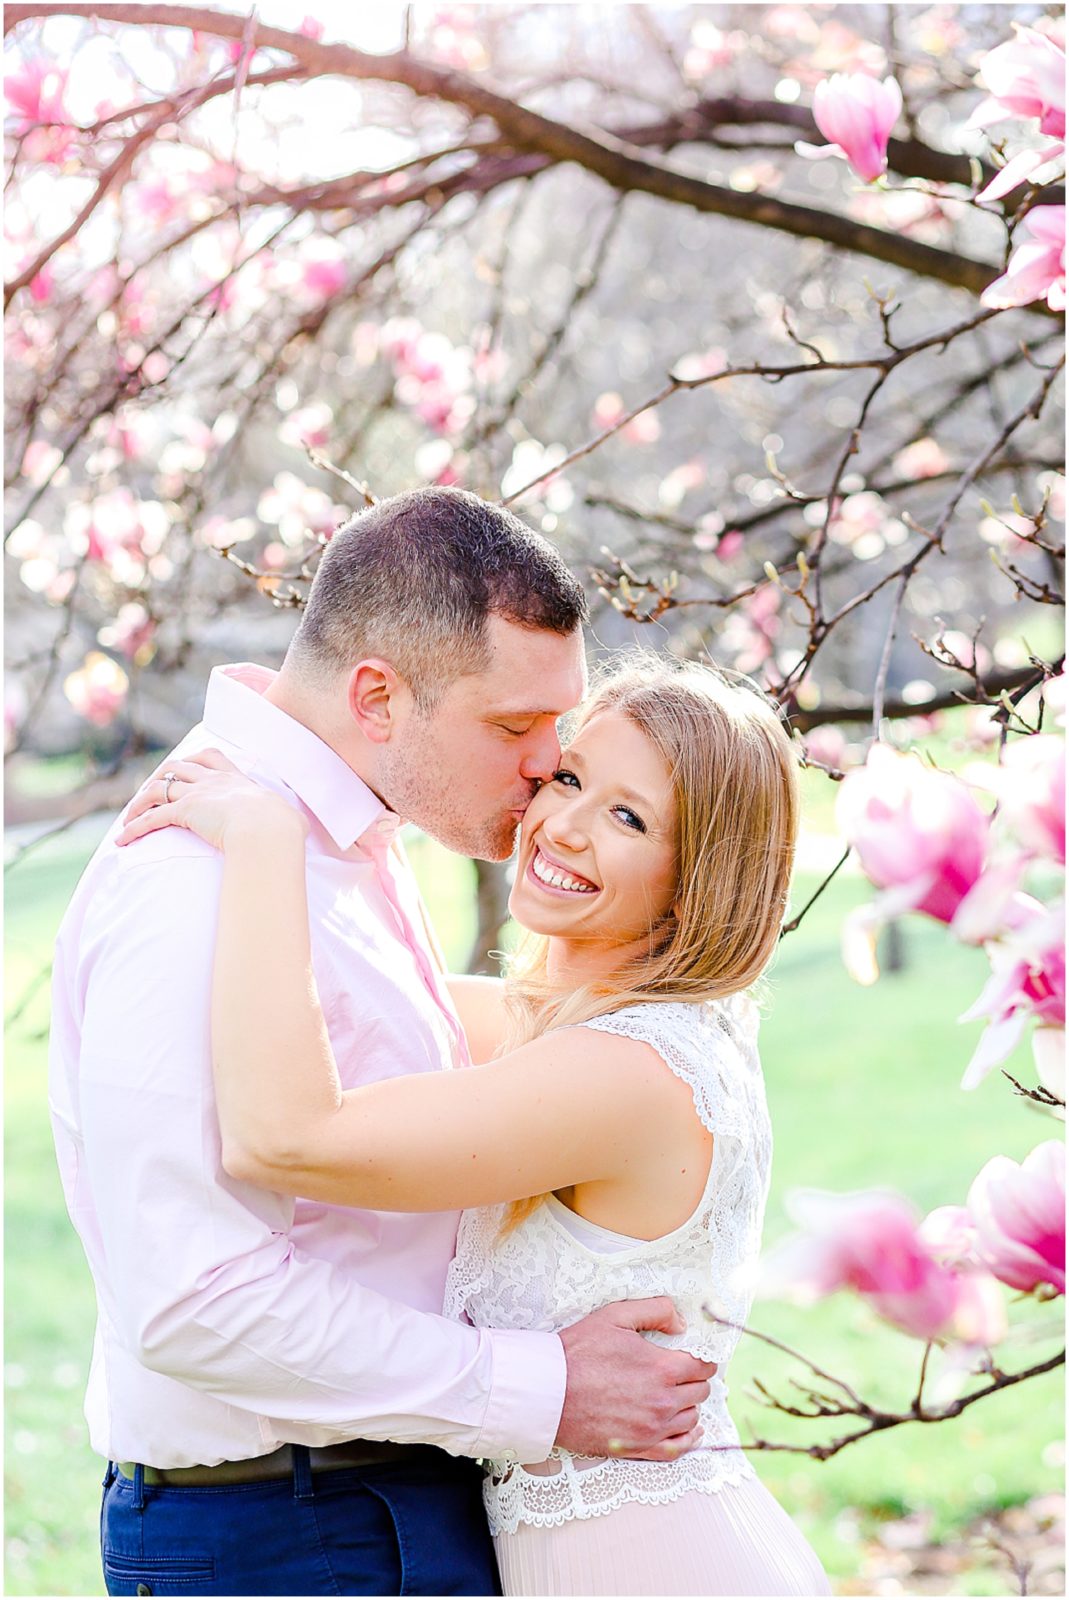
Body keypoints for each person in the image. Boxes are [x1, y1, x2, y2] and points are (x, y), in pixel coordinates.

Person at [50, 488, 719, 1599]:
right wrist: (534, 1386)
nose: (546, 766)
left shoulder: (340, 835)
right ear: (376, 695)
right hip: (288, 1530)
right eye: (513, 727)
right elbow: (192, 1296)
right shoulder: (199, 877)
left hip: (380, 1499)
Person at [118, 651, 833, 1597]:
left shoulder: (625, 1072)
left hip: (661, 1565)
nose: (564, 826)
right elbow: (343, 1004)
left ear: (697, 877)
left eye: (627, 817)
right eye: (570, 778)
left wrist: (265, 841)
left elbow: (289, 1137)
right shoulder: (560, 1028)